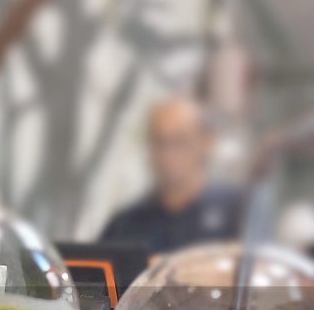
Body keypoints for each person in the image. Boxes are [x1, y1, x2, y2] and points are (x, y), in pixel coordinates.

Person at [99, 97, 241, 254]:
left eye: (179, 141)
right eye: (159, 142)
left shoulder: (236, 212)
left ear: (206, 143)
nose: (167, 154)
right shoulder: (125, 225)